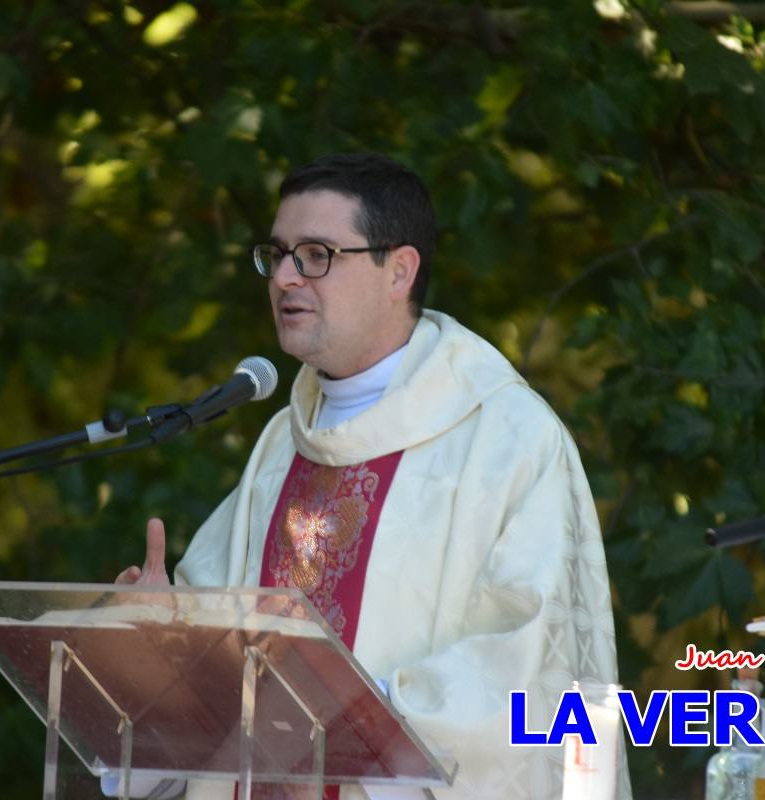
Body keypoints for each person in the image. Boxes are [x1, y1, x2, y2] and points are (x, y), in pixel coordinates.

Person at [115, 153, 628, 799]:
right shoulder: (284, 441)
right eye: (275, 255)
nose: (284, 277)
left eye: (316, 254)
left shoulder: (505, 437)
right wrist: (162, 642)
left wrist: (342, 726)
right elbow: (215, 669)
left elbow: (531, 668)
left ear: (399, 271)